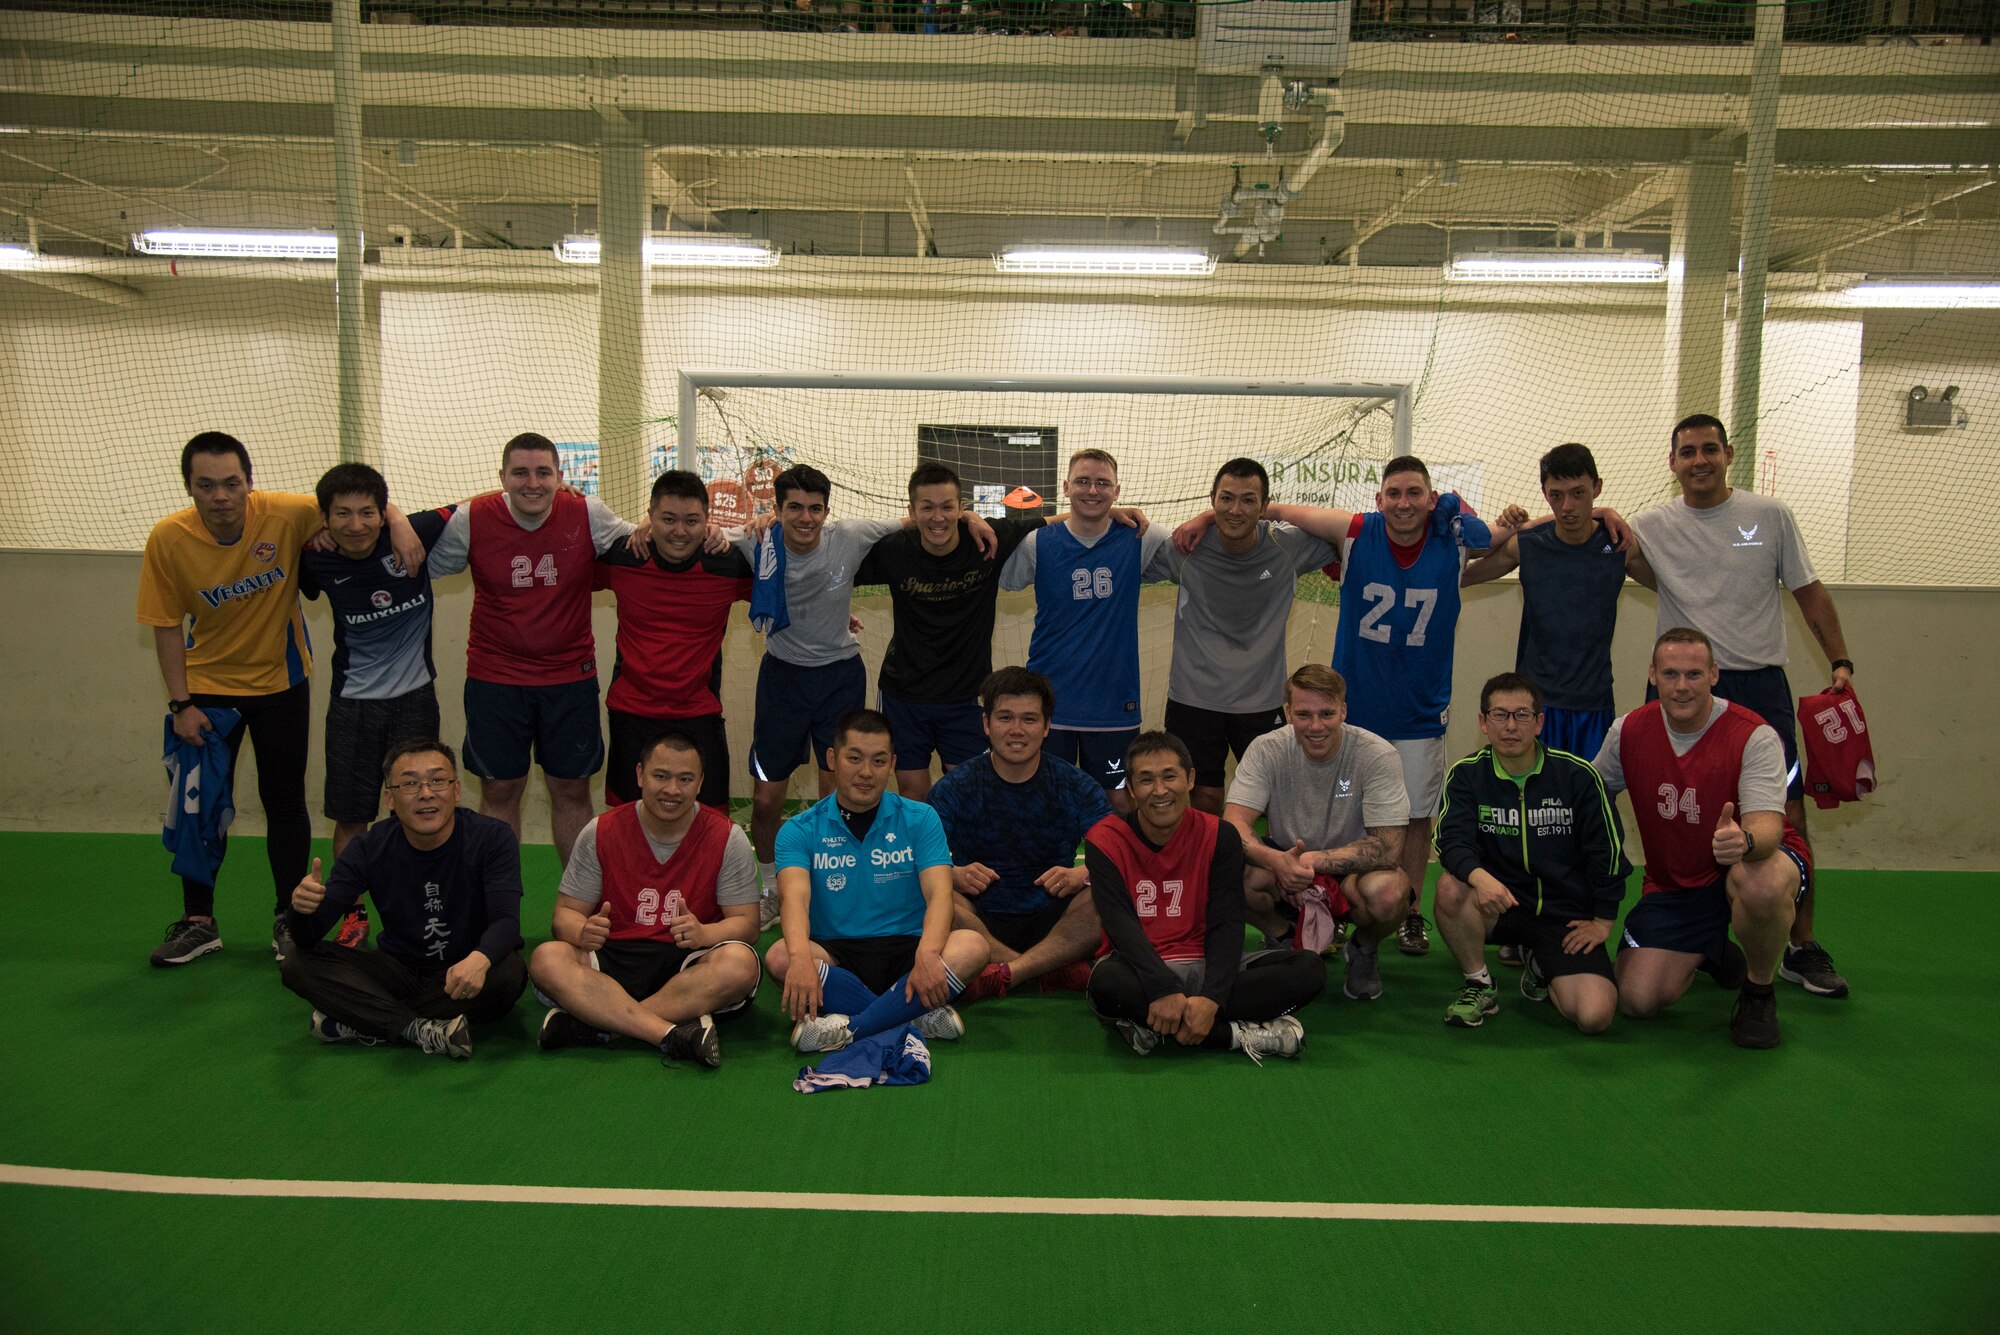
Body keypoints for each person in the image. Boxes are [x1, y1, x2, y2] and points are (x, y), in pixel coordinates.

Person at [1182, 456, 1508, 957]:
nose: (1403, 503)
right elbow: (1270, 511)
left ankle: (1411, 912)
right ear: (1378, 499)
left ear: (1430, 497)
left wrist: (1527, 521)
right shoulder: (1355, 529)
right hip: (1354, 705)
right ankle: (1312, 905)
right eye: (1393, 493)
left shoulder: (1454, 541)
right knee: (1334, 803)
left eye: (1414, 493)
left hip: (1420, 707)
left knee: (1415, 817)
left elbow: (1511, 546)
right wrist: (1208, 516)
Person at [139, 431, 423, 967]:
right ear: (189, 488)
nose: (221, 496)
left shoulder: (287, 514)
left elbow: (358, 503)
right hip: (206, 692)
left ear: (250, 482)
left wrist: (400, 520)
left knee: (285, 803)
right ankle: (198, 921)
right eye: (206, 485)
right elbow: (164, 626)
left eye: (231, 483)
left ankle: (288, 918)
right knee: (198, 806)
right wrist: (181, 706)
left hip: (281, 685)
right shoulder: (167, 539)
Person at [1623, 414, 1854, 1000]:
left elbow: (1809, 591)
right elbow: (1592, 536)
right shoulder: (1649, 526)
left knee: (1785, 821)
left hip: (1759, 692)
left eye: (1709, 450)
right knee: (1678, 820)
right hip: (1680, 692)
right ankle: (1700, 936)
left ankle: (1801, 947)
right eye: (1686, 452)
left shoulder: (1769, 516)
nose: (1698, 461)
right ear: (1671, 463)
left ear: (1728, 454)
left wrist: (1840, 662)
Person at [424, 431, 635, 865]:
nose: (532, 483)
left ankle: (582, 902)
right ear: (501, 477)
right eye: (520, 473)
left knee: (572, 788)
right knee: (500, 789)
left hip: (569, 679)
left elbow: (648, 541)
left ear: (561, 476)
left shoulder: (587, 513)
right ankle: (496, 904)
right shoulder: (473, 518)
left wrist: (725, 534)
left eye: (543, 473)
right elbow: (416, 560)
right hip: (496, 679)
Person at [1592, 629, 1810, 1049]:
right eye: (1670, 673)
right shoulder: (1629, 731)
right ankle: (1715, 951)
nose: (1681, 686)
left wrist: (1743, 840)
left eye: (1693, 674)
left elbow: (1769, 827)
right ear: (1653, 675)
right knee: (1637, 1000)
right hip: (1676, 884)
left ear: (1714, 674)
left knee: (1759, 885)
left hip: (1752, 864)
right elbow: (1592, 794)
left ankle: (1758, 992)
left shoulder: (1754, 734)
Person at [1084, 731, 1326, 1060]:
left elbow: (1227, 920)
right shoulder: (1105, 838)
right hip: (1138, 970)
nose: (1159, 791)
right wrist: (1162, 987)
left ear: (1190, 779)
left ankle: (1152, 1026)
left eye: (1170, 776)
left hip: (1207, 964)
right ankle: (1233, 1035)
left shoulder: (1219, 834)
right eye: (1145, 779)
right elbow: (1119, 924)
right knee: (1105, 984)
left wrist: (1211, 997)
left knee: (1309, 969)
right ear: (1130, 788)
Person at [279, 740, 527, 1059]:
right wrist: (300, 909)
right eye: (410, 783)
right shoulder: (369, 848)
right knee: (297, 963)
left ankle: (364, 1017)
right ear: (389, 799)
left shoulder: (492, 837)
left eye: (438, 780)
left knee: (508, 973)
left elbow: (506, 921)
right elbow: (307, 937)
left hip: (463, 971)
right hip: (399, 970)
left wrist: (480, 958)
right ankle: (417, 1029)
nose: (426, 793)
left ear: (456, 790)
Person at [730, 465, 905, 916]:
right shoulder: (757, 541)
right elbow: (693, 535)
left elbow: (919, 520)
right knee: (767, 797)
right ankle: (770, 886)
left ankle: (831, 890)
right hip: (783, 679)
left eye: (815, 509)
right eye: (794, 508)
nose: (805, 518)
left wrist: (969, 516)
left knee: (839, 794)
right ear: (778, 509)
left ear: (827, 510)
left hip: (839, 678)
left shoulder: (849, 536)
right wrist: (650, 523)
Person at [527, 730, 761, 1067]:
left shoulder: (727, 836)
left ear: (700, 783)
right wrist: (580, 932)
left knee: (741, 964)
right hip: (611, 958)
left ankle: (597, 1025)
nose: (672, 790)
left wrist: (705, 934)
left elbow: (748, 925)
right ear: (640, 775)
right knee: (547, 958)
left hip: (686, 962)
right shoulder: (600, 831)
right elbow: (564, 915)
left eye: (685, 779)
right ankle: (666, 1032)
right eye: (661, 776)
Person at [764, 709, 991, 1053]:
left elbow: (940, 894)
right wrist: (799, 957)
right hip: (836, 952)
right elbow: (794, 899)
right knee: (782, 956)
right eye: (854, 758)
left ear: (892, 763)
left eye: (878, 760)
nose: (866, 772)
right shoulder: (799, 829)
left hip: (910, 949)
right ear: (832, 758)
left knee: (973, 946)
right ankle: (912, 1013)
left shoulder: (920, 818)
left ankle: (854, 1025)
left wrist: (928, 953)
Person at [300, 462, 456, 948]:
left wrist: (399, 519)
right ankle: (353, 914)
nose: (355, 524)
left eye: (367, 512)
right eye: (342, 514)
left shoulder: (415, 533)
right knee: (351, 816)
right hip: (352, 706)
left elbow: (492, 497)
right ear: (324, 519)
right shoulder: (314, 558)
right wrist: (318, 534)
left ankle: (413, 909)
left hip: (414, 702)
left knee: (416, 813)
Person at [1432, 672, 1630, 1034]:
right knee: (1450, 887)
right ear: (1483, 722)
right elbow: (1451, 841)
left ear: (1539, 722)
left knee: (1594, 1016)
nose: (1511, 726)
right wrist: (1480, 878)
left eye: (1522, 715)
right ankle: (1479, 984)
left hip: (1564, 917)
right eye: (1499, 715)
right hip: (1499, 904)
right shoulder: (1466, 775)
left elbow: (1609, 852)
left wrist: (1603, 920)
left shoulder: (1579, 776)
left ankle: (1541, 963)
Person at [1151, 458, 1338, 815]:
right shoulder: (1185, 548)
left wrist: (1205, 518)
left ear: (1265, 507)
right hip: (1194, 698)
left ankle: (1268, 868)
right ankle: (1207, 869)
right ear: (1212, 499)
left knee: (1275, 799)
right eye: (1226, 499)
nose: (1236, 510)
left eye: (1249, 500)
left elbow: (1343, 529)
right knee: (1202, 797)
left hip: (1261, 702)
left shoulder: (1288, 546)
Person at [1222, 664, 1411, 1003]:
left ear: (1343, 711)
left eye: (1326, 713)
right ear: (1288, 712)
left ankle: (1363, 948)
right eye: (1304, 714)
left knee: (1390, 893)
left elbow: (1389, 847)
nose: (1316, 726)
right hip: (1284, 867)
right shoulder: (1266, 749)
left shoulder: (1377, 754)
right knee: (1223, 870)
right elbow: (1233, 824)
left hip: (1350, 870)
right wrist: (1277, 861)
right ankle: (1282, 939)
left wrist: (1314, 861)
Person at [856, 462, 1043, 801]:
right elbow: (830, 561)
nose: (937, 517)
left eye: (947, 507)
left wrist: (1112, 512)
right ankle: (925, 858)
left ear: (961, 508)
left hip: (966, 697)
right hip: (904, 695)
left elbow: (1060, 522)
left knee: (967, 795)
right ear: (912, 511)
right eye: (927, 507)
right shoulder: (893, 549)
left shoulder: (989, 540)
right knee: (913, 796)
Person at [1000, 449, 1173, 813]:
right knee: (1046, 800)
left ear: (1117, 490)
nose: (1091, 490)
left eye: (1102, 483)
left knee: (1120, 799)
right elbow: (1002, 580)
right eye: (1082, 481)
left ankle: (1115, 871)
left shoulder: (1139, 537)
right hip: (1051, 699)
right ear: (1065, 487)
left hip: (1113, 701)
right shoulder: (1038, 543)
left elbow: (1191, 542)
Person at [1459, 443, 1648, 763]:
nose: (1567, 506)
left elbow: (1675, 587)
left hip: (1593, 703)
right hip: (1534, 706)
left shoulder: (1619, 545)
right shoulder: (1527, 544)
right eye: (1556, 495)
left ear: (1597, 488)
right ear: (1545, 493)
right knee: (1530, 798)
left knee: (1589, 799)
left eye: (1578, 493)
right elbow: (1460, 577)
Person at [929, 668, 1110, 1000]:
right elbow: (919, 860)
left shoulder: (1076, 785)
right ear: (986, 724)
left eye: (1029, 719)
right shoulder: (954, 788)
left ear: (1046, 726)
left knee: (1101, 898)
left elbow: (1119, 854)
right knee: (938, 898)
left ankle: (1007, 974)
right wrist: (953, 875)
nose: (1016, 730)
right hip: (979, 919)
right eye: (1005, 718)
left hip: (1054, 919)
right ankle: (1042, 968)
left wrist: (1081, 874)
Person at [593, 470, 754, 813]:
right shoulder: (624, 556)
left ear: (708, 521)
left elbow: (793, 579)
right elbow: (560, 554)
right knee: (627, 822)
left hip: (699, 712)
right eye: (668, 519)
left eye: (692, 520)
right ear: (649, 516)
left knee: (712, 821)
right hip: (631, 713)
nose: (680, 531)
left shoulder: (727, 564)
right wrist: (558, 494)